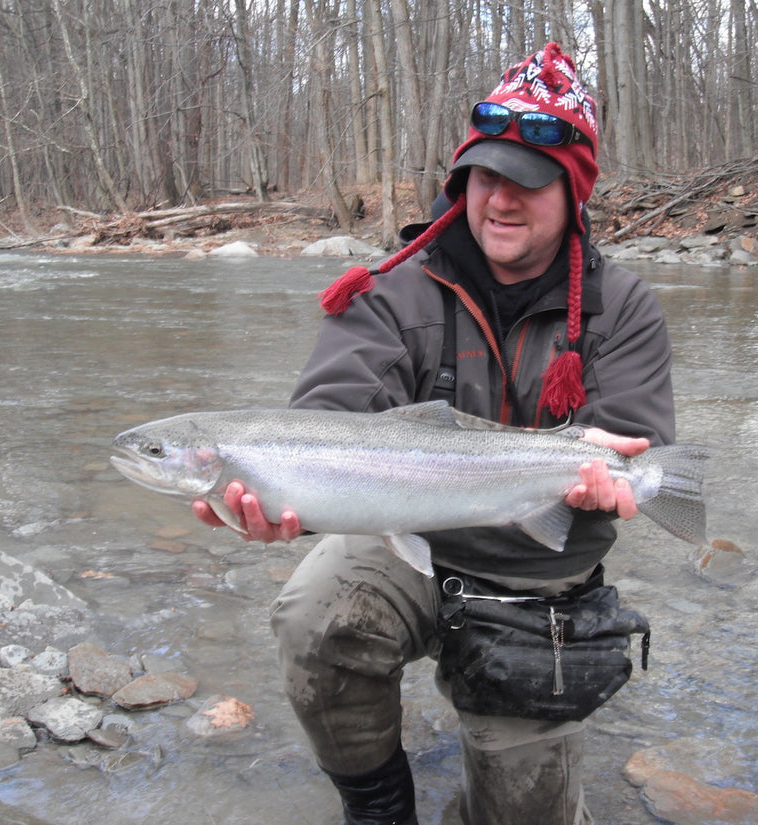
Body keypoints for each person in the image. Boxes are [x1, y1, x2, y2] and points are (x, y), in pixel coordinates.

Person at [193, 42, 675, 825]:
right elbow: (326, 423)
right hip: (406, 545)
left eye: (528, 182)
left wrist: (612, 478)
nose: (501, 201)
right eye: (485, 178)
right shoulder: (392, 291)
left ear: (572, 192)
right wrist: (286, 500)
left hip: (538, 577)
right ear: (461, 183)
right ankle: (379, 806)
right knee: (314, 611)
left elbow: (634, 443)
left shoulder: (622, 309)